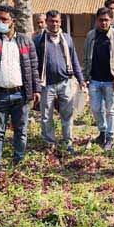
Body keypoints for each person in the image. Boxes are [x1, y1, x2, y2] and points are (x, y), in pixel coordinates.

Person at [0, 5, 40, 172]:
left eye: (4, 19)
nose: (0, 22)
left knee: (21, 130)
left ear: (14, 21)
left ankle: (19, 160)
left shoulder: (26, 41)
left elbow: (33, 67)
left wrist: (37, 89)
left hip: (21, 94)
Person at [34, 10, 85, 155]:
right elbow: (34, 63)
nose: (54, 24)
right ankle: (49, 143)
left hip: (65, 82)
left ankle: (67, 143)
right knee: (46, 115)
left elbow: (74, 60)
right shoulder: (39, 40)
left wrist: (81, 80)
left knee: (67, 114)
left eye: (57, 21)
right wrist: (35, 85)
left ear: (60, 22)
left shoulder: (67, 39)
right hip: (46, 84)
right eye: (51, 21)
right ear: (47, 22)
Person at [83, 7, 114, 150]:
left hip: (111, 80)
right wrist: (85, 77)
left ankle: (110, 137)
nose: (103, 23)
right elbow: (85, 57)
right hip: (95, 80)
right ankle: (102, 132)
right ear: (97, 20)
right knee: (96, 108)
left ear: (112, 20)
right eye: (101, 20)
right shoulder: (91, 35)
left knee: (110, 109)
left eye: (106, 20)